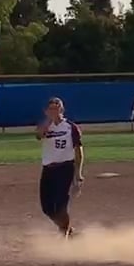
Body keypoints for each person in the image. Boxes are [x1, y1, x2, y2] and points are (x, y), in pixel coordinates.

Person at [37, 97, 84, 235]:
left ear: (62, 109)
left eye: (56, 108)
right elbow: (39, 135)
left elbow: (78, 151)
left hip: (65, 169)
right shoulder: (45, 126)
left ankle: (64, 234)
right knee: (47, 208)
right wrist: (48, 121)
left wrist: (78, 174)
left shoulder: (70, 127)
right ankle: (66, 228)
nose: (54, 111)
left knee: (60, 205)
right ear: (46, 111)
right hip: (48, 170)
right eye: (51, 108)